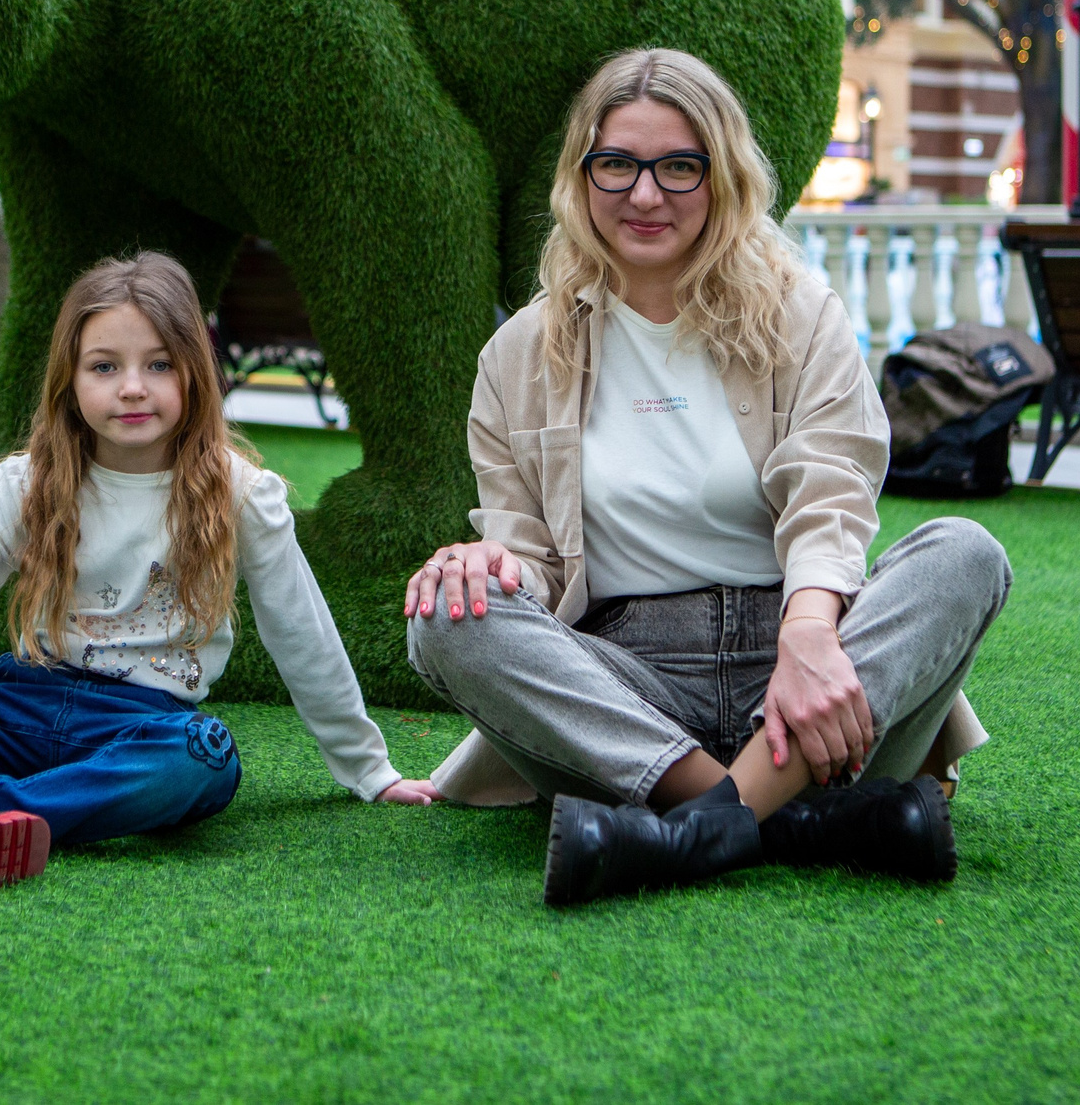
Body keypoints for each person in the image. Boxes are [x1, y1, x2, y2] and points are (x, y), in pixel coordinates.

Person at [404, 48, 1012, 907]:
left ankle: (686, 831)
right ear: (581, 176)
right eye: (616, 164)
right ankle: (794, 817)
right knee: (441, 615)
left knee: (966, 552)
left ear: (719, 175)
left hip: (803, 672)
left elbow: (832, 487)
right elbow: (534, 560)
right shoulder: (518, 355)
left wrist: (808, 631)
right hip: (626, 691)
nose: (644, 195)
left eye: (677, 166)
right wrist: (485, 566)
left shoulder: (800, 312)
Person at [0, 252, 436, 901]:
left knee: (203, 755)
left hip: (136, 727)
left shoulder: (240, 493)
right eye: (105, 366)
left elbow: (303, 634)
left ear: (196, 373)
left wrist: (369, 769)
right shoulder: (25, 483)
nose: (132, 386)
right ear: (69, 379)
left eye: (158, 363)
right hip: (16, 710)